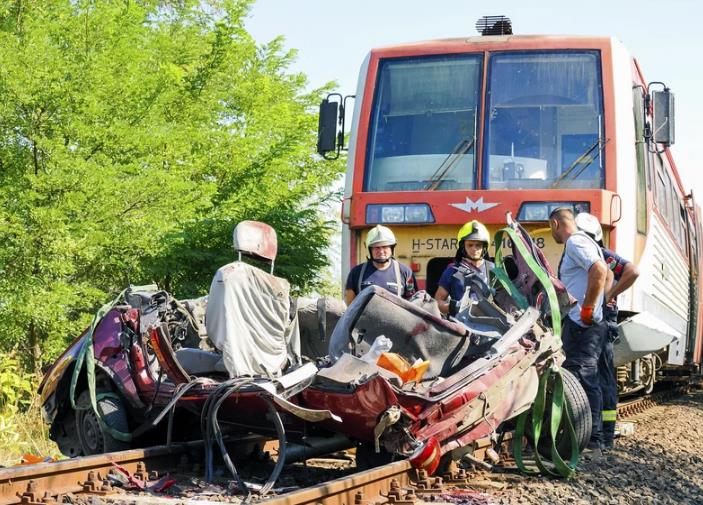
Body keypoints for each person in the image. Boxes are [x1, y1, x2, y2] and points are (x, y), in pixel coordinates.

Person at [575, 212, 640, 450]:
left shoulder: (601, 255)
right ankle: (604, 435)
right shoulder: (600, 255)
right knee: (603, 375)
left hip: (601, 319)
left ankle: (602, 436)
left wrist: (610, 295)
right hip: (602, 318)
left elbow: (633, 270)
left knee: (599, 374)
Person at [549, 207, 609, 454]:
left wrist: (587, 308)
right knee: (585, 377)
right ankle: (592, 438)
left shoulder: (574, 242)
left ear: (555, 224)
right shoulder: (585, 241)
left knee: (583, 377)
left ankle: (591, 440)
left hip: (583, 324)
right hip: (584, 323)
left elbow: (600, 270)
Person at [344, 225, 418, 306]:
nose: (381, 251)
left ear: (392, 248)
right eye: (376, 247)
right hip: (365, 318)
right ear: (369, 249)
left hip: (395, 318)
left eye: (385, 246)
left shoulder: (405, 272)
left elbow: (413, 304)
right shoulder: (356, 273)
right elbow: (350, 307)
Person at [434, 220, 494, 316]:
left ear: (484, 247)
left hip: (491, 325)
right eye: (470, 245)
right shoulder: (452, 270)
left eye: (478, 245)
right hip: (461, 326)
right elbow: (438, 301)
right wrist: (453, 307)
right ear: (463, 247)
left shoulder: (494, 271)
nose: (474, 249)